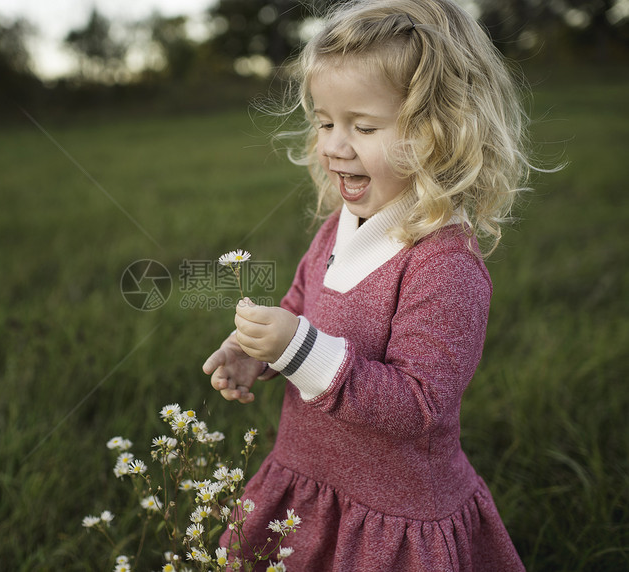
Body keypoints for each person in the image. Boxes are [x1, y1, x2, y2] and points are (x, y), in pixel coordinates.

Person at [202, 0, 532, 569]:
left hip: (391, 516)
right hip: (309, 477)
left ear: (441, 133)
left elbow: (420, 406)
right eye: (326, 122)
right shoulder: (338, 226)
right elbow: (304, 307)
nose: (333, 144)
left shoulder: (445, 265)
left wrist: (298, 349)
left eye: (363, 126)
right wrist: (261, 354)